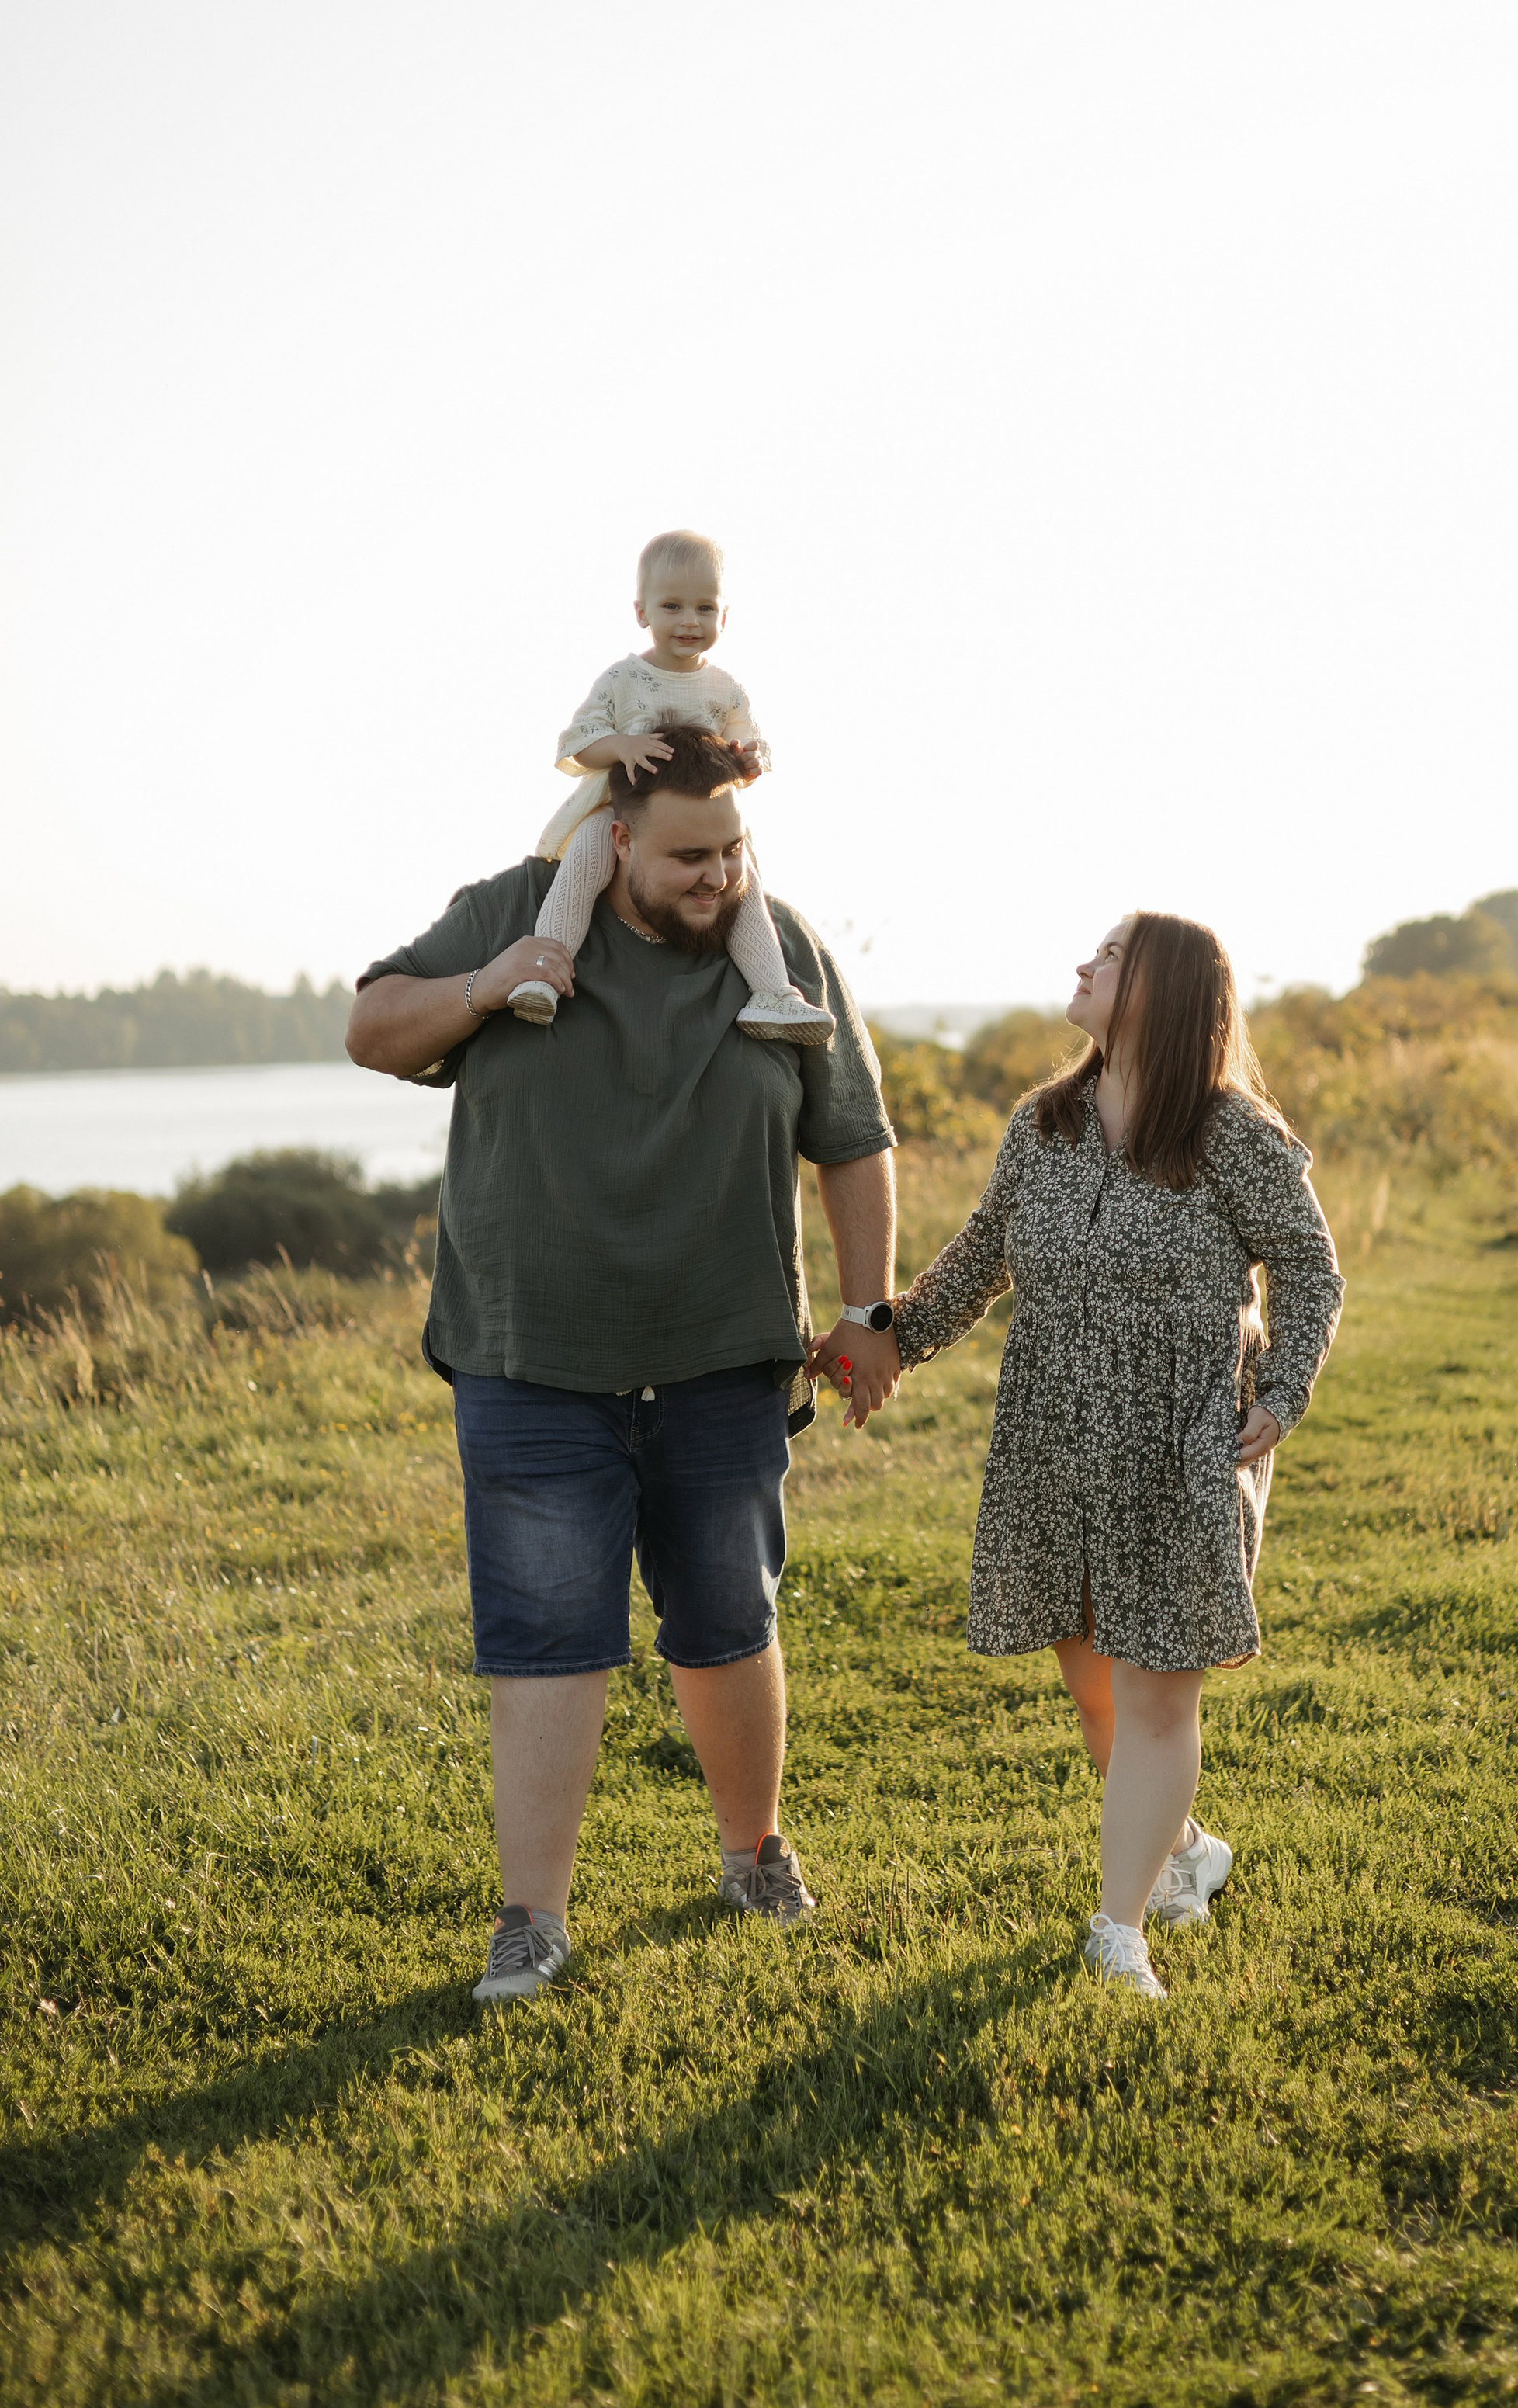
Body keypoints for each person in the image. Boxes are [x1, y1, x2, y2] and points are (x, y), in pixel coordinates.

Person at [346, 723, 901, 2005]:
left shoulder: (783, 947)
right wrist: (496, 981)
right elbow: (376, 1029)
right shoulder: (510, 911)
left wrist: (870, 1311)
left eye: (734, 851)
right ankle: (533, 1921)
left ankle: (753, 1852)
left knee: (727, 1620)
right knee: (547, 1638)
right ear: (614, 844)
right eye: (689, 857)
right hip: (532, 1356)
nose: (719, 878)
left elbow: (855, 1139)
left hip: (725, 1355)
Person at [861, 912, 1344, 2001]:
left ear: (1168, 993)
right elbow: (981, 1256)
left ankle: (1120, 1930)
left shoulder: (1232, 1134)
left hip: (1180, 1441)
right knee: (1099, 1692)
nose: (1085, 965)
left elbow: (1312, 1272)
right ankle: (1184, 1853)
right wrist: (883, 1340)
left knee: (1158, 1694)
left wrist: (1282, 1391)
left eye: (1112, 956)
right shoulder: (1046, 1123)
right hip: (1055, 1433)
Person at [509, 526, 832, 1046]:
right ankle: (542, 971)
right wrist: (622, 746)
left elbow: (741, 744)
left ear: (724, 617)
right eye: (673, 606)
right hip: (621, 808)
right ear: (643, 613)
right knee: (586, 861)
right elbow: (578, 745)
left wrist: (746, 759)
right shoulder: (625, 679)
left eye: (705, 609)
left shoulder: (726, 688)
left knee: (740, 879)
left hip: (700, 820)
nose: (689, 621)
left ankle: (773, 995)